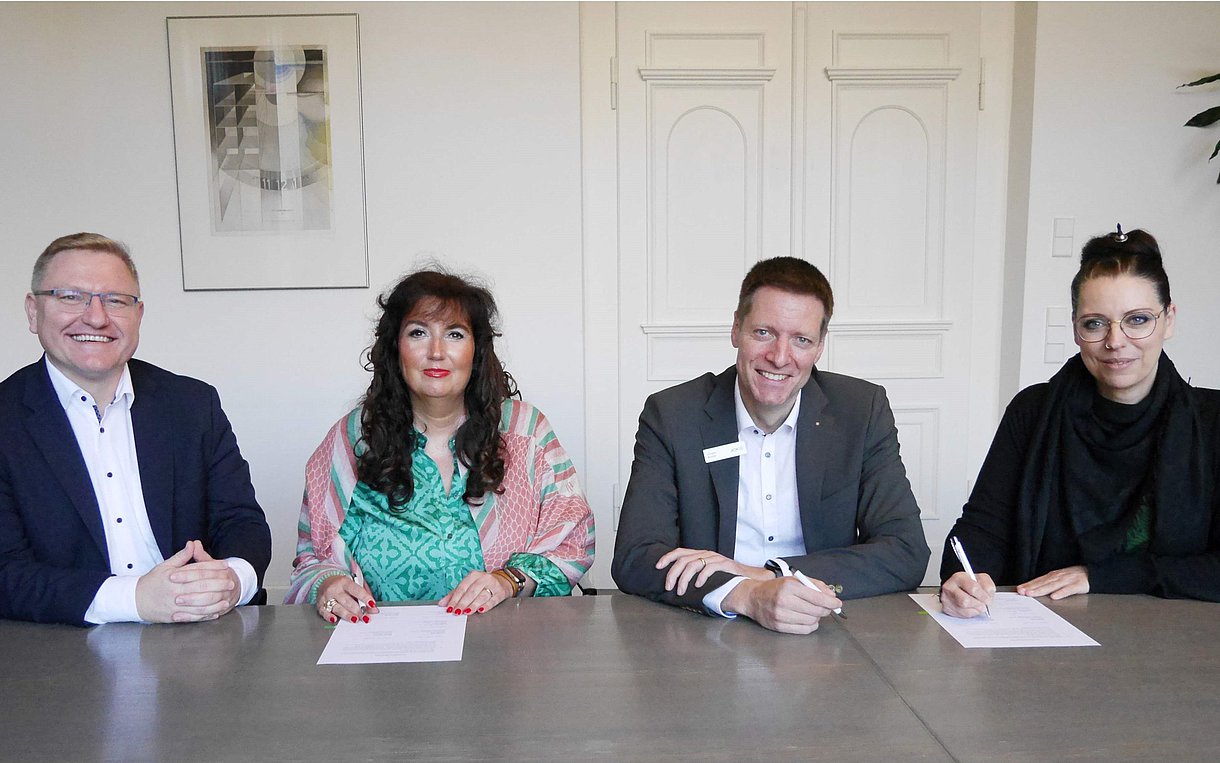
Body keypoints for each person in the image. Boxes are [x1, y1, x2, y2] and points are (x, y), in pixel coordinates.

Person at [611, 256, 930, 634]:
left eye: (801, 340)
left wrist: (770, 573)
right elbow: (636, 556)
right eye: (763, 332)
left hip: (824, 626)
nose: (780, 357)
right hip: (708, 629)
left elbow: (906, 551)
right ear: (736, 329)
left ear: (820, 347)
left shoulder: (860, 411)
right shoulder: (673, 415)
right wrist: (742, 593)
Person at [940, 226, 1220, 618]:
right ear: (1075, 327)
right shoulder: (1033, 411)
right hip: (1043, 632)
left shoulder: (1211, 422)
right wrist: (961, 581)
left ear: (1169, 320)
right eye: (1095, 323)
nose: (1115, 341)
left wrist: (1103, 577)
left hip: (1172, 640)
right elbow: (982, 531)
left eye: (1137, 320)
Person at [285, 269, 595, 622]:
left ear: (476, 349)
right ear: (394, 348)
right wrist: (327, 585)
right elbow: (311, 559)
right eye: (418, 333)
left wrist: (508, 580)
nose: (436, 352)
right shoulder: (354, 437)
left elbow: (575, 540)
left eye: (454, 334)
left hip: (508, 654)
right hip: (382, 651)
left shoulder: (526, 431)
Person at [0, 233, 272, 626]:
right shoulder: (7, 419)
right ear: (33, 311)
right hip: (59, 649)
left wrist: (233, 578)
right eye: (71, 296)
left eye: (115, 300)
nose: (96, 317)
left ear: (138, 314)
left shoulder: (193, 404)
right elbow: (7, 573)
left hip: (198, 643)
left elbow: (241, 521)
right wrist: (134, 599)